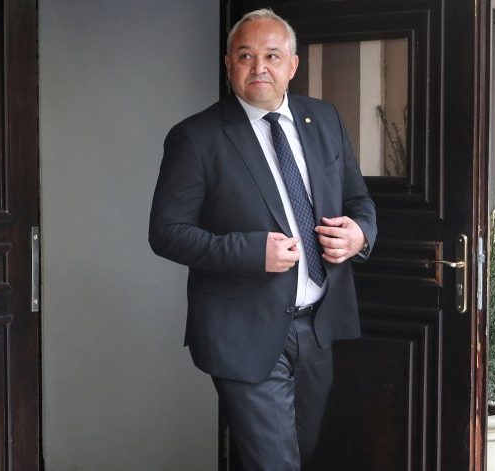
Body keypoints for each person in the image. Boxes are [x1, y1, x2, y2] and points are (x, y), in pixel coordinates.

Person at [148, 8, 376, 471]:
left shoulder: (325, 119)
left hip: (317, 326)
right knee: (275, 462)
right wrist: (253, 252)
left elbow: (359, 200)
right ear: (228, 64)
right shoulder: (196, 137)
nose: (259, 67)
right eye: (246, 56)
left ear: (293, 65)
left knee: (300, 451)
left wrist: (360, 234)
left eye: (272, 56)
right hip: (243, 330)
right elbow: (166, 233)